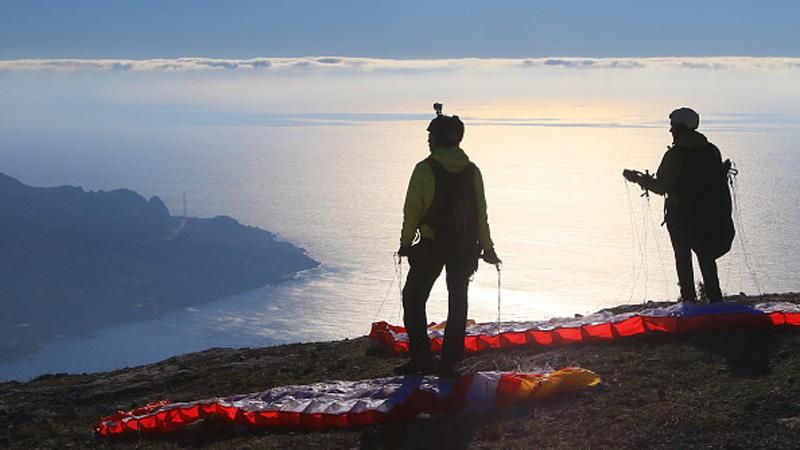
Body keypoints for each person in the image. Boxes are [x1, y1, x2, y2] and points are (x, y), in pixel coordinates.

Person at [395, 104, 500, 377]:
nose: (428, 141)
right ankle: (451, 360)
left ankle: (421, 359)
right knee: (458, 299)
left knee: (414, 298)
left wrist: (405, 243)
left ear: (439, 140)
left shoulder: (424, 169)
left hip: (431, 244)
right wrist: (488, 248)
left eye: (430, 137)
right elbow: (481, 213)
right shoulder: (472, 171)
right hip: (464, 246)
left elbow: (412, 211)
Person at [624, 107, 734, 303]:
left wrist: (639, 179)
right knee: (706, 257)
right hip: (707, 215)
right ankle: (716, 301)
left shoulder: (675, 155)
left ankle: (689, 302)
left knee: (683, 259)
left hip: (681, 216)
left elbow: (660, 187)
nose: (670, 131)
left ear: (680, 128)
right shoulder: (712, 150)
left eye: (672, 126)